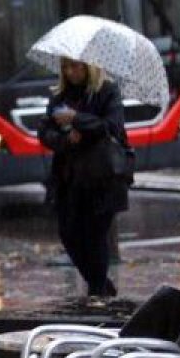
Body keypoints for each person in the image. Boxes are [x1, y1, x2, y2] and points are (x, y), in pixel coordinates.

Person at [38, 58, 129, 298]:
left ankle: (97, 290)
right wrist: (65, 140)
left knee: (95, 234)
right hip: (69, 178)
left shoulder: (107, 91)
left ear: (89, 67)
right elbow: (45, 131)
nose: (70, 72)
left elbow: (112, 126)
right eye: (66, 67)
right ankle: (100, 285)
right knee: (69, 233)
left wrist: (76, 119)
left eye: (76, 66)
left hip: (100, 178)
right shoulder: (60, 96)